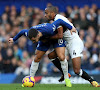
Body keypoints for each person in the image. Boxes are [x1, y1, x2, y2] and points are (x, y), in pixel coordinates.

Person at [9, 19, 75, 87]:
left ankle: (67, 79)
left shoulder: (49, 29)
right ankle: (30, 79)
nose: (33, 42)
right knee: (37, 57)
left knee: (61, 57)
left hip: (55, 38)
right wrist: (14, 39)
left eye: (34, 40)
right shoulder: (30, 32)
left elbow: (59, 21)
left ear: (37, 35)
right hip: (44, 40)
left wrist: (71, 27)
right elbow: (22, 31)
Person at [44, 6, 99, 87]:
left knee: (76, 70)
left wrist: (47, 37)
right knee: (51, 55)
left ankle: (92, 81)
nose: (45, 15)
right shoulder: (57, 19)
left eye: (46, 13)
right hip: (67, 43)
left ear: (52, 13)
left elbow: (59, 35)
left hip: (74, 43)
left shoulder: (58, 19)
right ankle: (64, 73)